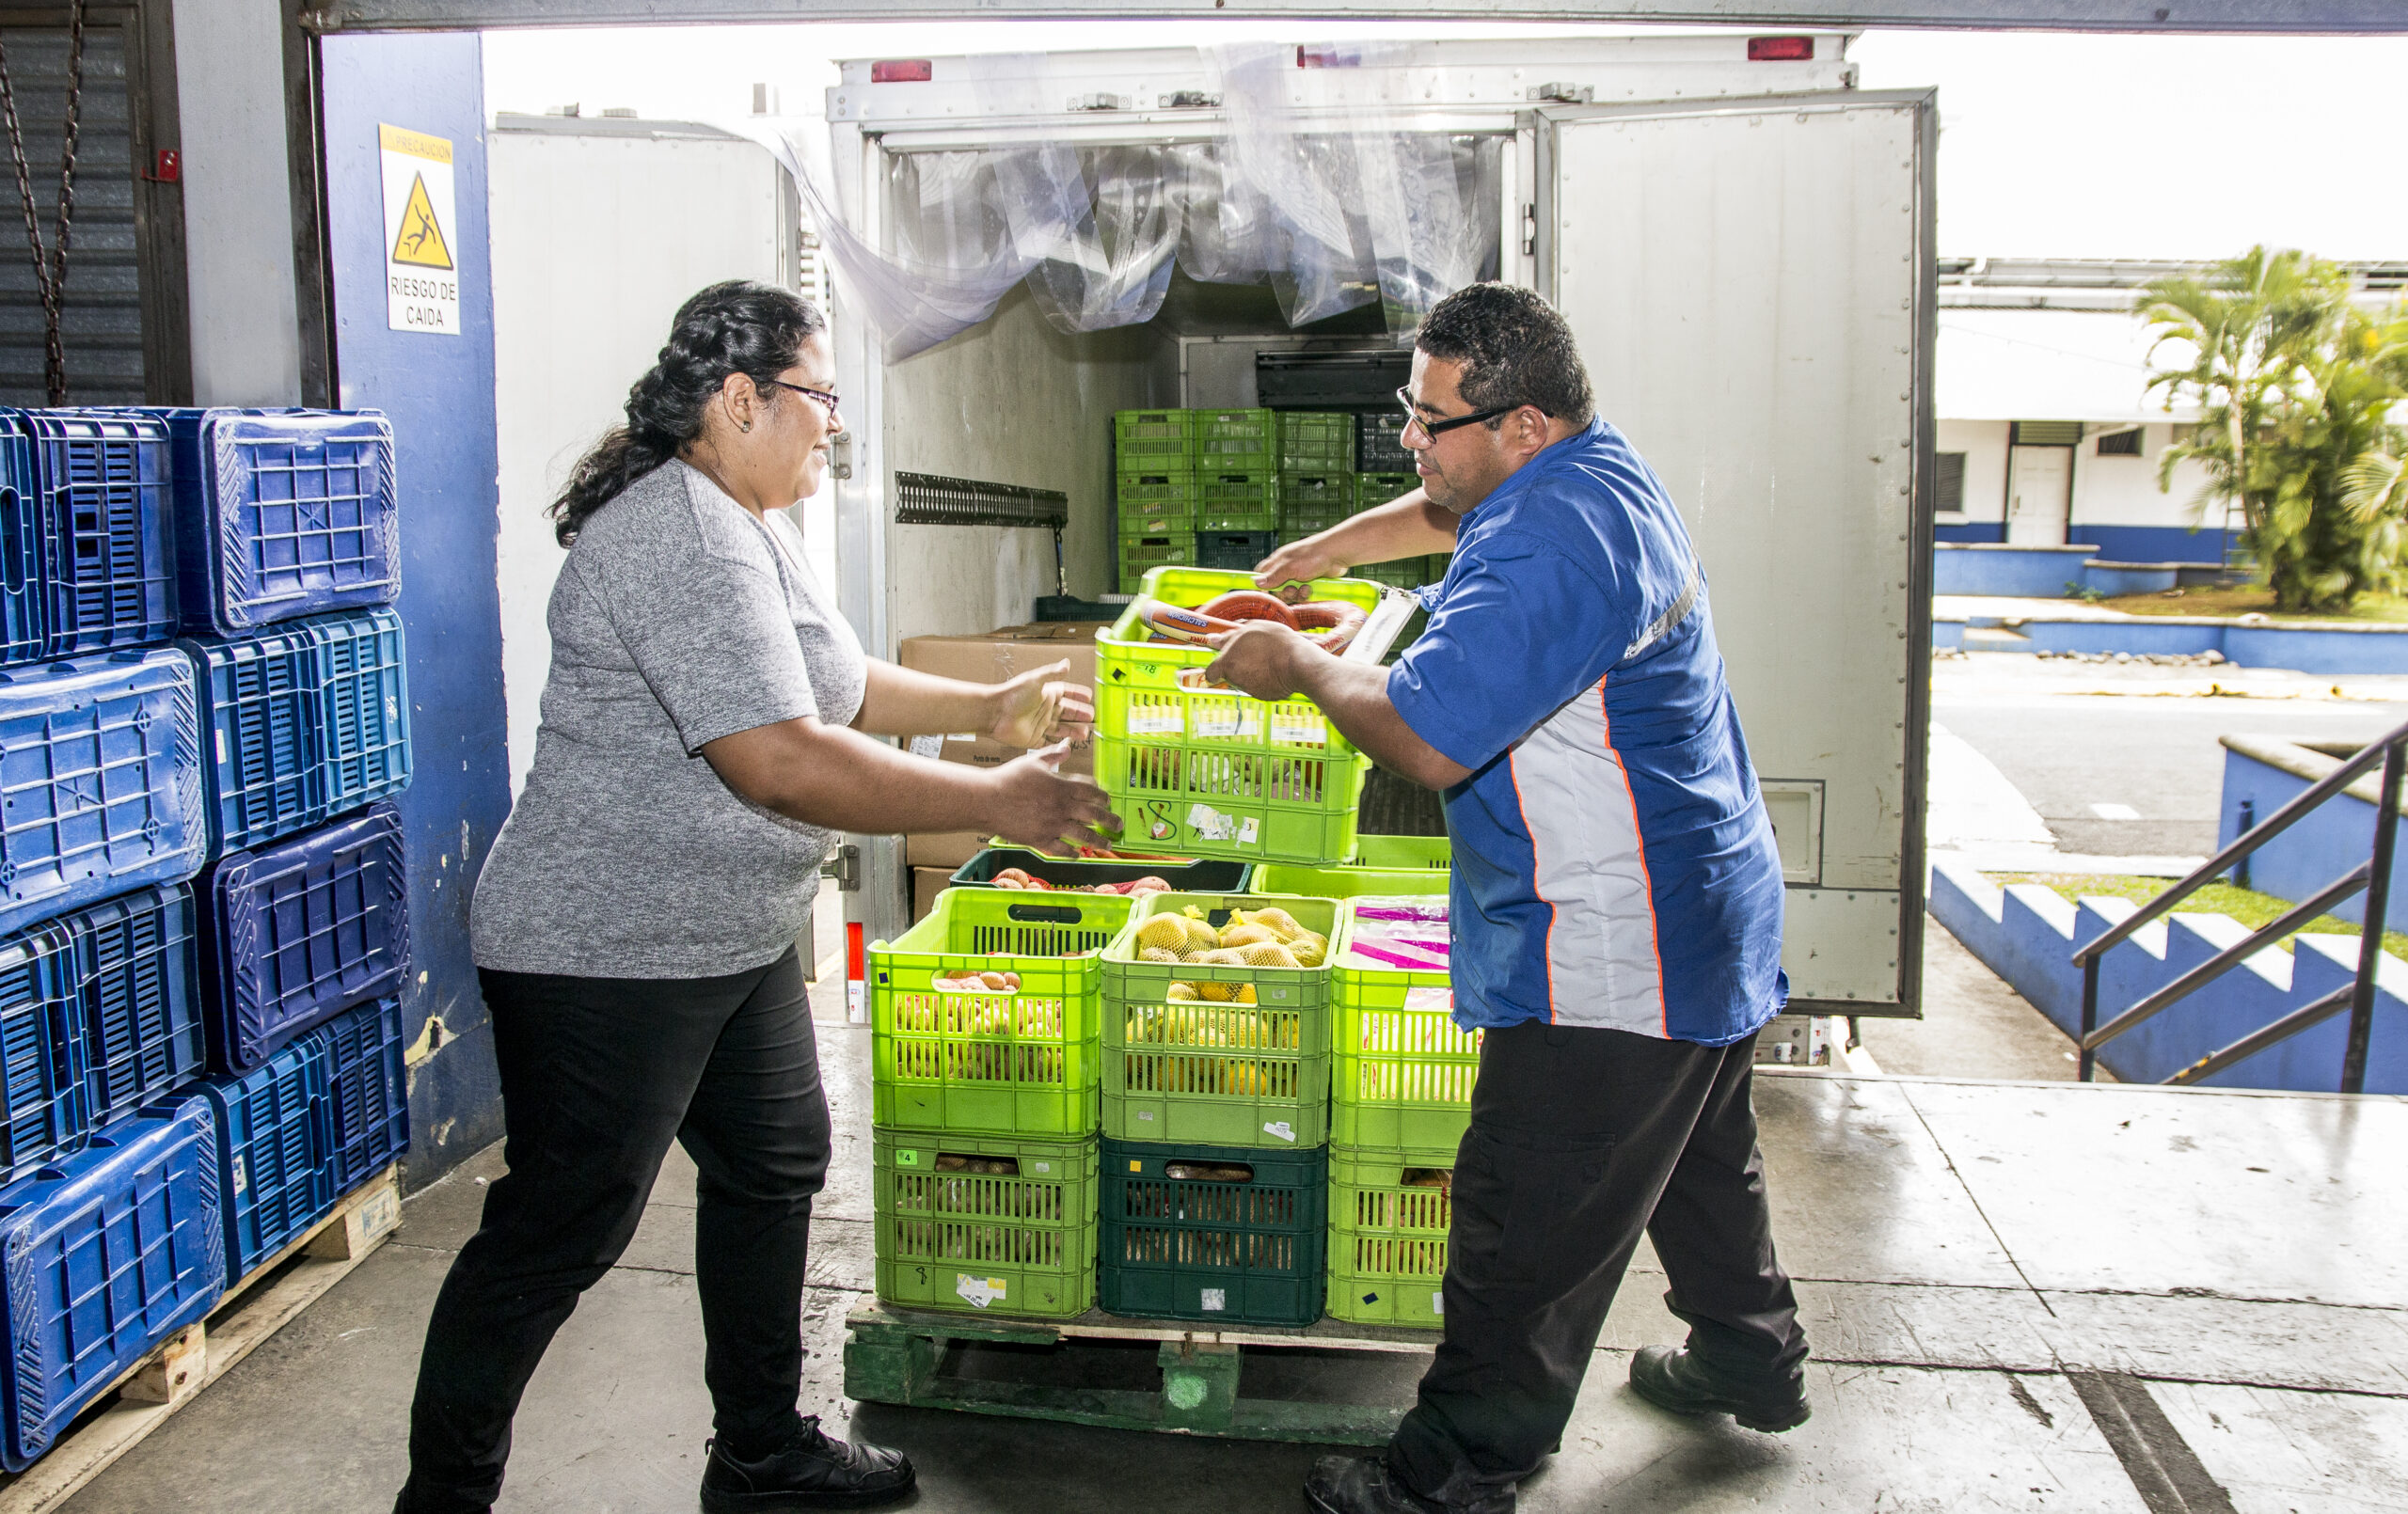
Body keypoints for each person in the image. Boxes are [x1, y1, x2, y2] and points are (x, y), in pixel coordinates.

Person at [396, 280, 1119, 1514]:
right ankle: (445, 1500)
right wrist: (997, 797)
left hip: (725, 941)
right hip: (605, 953)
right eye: (820, 398)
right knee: (559, 1231)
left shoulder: (745, 520)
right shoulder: (678, 536)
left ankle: (760, 1449)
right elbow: (777, 754)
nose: (831, 424)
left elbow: (833, 685)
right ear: (740, 402)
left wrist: (981, 710)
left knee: (776, 1161)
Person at [1209, 283, 1810, 1514]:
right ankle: (1755, 1360)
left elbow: (1425, 738)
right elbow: (1445, 509)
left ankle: (1457, 1470)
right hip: (1707, 907)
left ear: (1521, 422)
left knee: (1523, 1219)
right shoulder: (1588, 470)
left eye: (1431, 422)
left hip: (1616, 938)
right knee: (1698, 1157)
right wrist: (1326, 553)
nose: (1412, 444)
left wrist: (1303, 660)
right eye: (1408, 416)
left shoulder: (1554, 543)